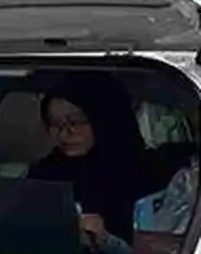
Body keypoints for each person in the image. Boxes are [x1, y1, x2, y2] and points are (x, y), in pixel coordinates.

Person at [27, 74, 192, 245]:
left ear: (105, 119)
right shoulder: (44, 173)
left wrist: (106, 241)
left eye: (74, 122)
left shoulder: (153, 174)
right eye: (54, 124)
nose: (64, 134)